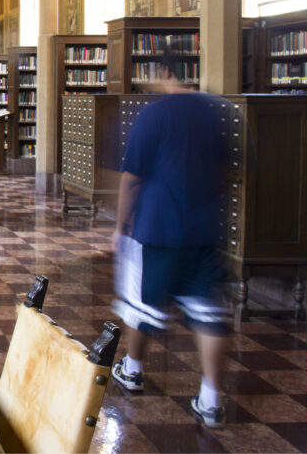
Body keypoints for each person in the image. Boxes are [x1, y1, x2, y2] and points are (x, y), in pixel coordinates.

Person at [111, 44, 230, 428]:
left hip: (159, 227)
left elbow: (132, 178)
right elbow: (225, 170)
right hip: (204, 228)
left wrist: (120, 227)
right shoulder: (216, 112)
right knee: (208, 311)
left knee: (143, 304)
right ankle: (211, 399)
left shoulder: (154, 114)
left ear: (165, 73)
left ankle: (132, 370)